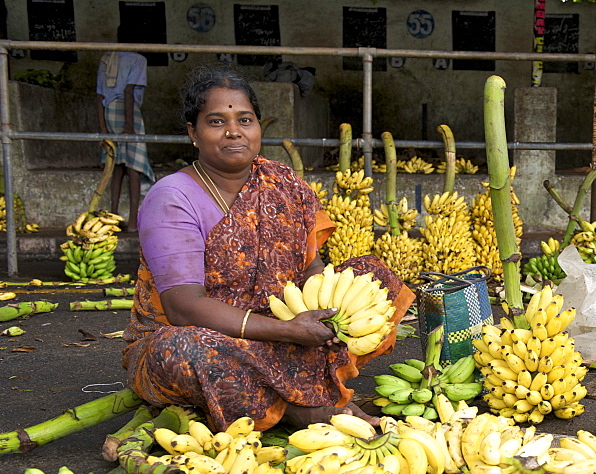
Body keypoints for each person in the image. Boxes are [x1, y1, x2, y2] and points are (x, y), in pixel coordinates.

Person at [122, 64, 414, 432]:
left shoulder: (283, 183)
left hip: (286, 328)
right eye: (216, 122)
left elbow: (312, 270)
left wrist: (321, 316)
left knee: (373, 276)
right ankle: (294, 407)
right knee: (181, 349)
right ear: (192, 133)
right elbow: (183, 308)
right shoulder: (172, 197)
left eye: (245, 119)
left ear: (259, 127)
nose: (233, 132)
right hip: (205, 337)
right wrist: (288, 332)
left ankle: (302, 388)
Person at [96, 27, 156, 231]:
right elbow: (129, 90)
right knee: (135, 167)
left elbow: (99, 96)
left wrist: (103, 127)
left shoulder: (107, 59)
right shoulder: (138, 60)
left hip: (109, 113)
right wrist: (130, 124)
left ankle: (112, 217)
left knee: (117, 165)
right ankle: (132, 222)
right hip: (127, 112)